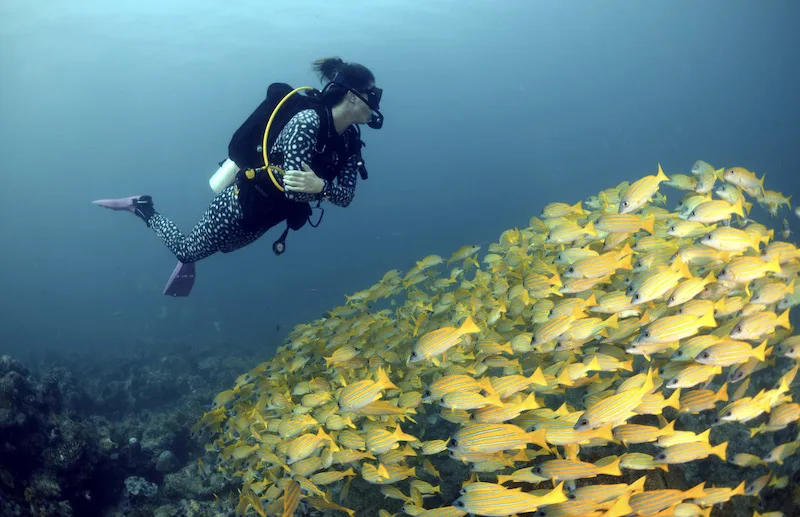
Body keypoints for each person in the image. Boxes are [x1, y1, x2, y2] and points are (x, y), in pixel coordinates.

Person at [93, 57, 383, 296]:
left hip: (269, 216)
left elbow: (346, 197)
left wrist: (321, 188)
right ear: (351, 95)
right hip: (240, 203)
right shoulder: (308, 122)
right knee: (187, 250)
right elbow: (295, 190)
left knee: (226, 247)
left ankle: (198, 247)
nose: (376, 101)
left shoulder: (350, 142)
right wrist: (322, 190)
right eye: (373, 93)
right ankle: (143, 207)